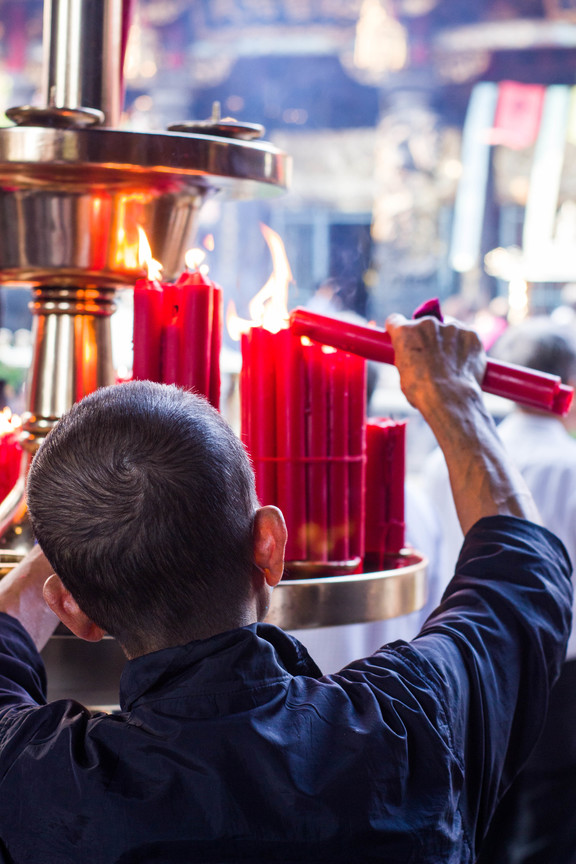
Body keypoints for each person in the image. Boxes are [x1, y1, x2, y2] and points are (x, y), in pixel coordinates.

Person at [0, 314, 570, 863]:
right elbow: (522, 577)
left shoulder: (37, 782)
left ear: (72, 610)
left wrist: (96, 528)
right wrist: (455, 396)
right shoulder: (408, 722)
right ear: (271, 547)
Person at [422, 316, 576, 864]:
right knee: (550, 819)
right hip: (563, 669)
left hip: (469, 659)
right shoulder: (570, 465)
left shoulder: (443, 462)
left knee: (476, 812)